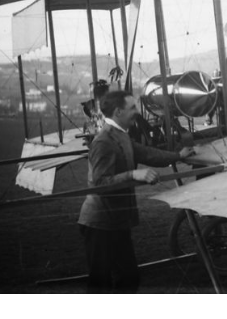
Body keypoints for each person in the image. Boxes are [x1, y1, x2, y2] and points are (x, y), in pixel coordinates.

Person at [78, 90, 195, 293]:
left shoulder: (120, 135)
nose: (137, 112)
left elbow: (147, 153)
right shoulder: (103, 141)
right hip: (99, 224)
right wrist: (133, 174)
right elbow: (100, 184)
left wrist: (177, 155)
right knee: (101, 283)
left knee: (129, 277)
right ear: (118, 111)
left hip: (116, 222)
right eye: (132, 108)